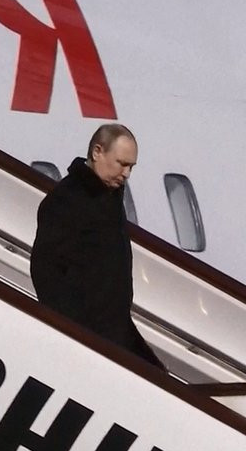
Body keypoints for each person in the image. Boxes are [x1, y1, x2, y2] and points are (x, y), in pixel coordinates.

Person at [30, 123, 165, 369]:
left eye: (131, 167)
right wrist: (74, 333)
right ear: (97, 152)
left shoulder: (109, 196)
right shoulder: (67, 201)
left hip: (113, 331)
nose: (127, 174)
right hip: (87, 336)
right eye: (122, 164)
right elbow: (46, 271)